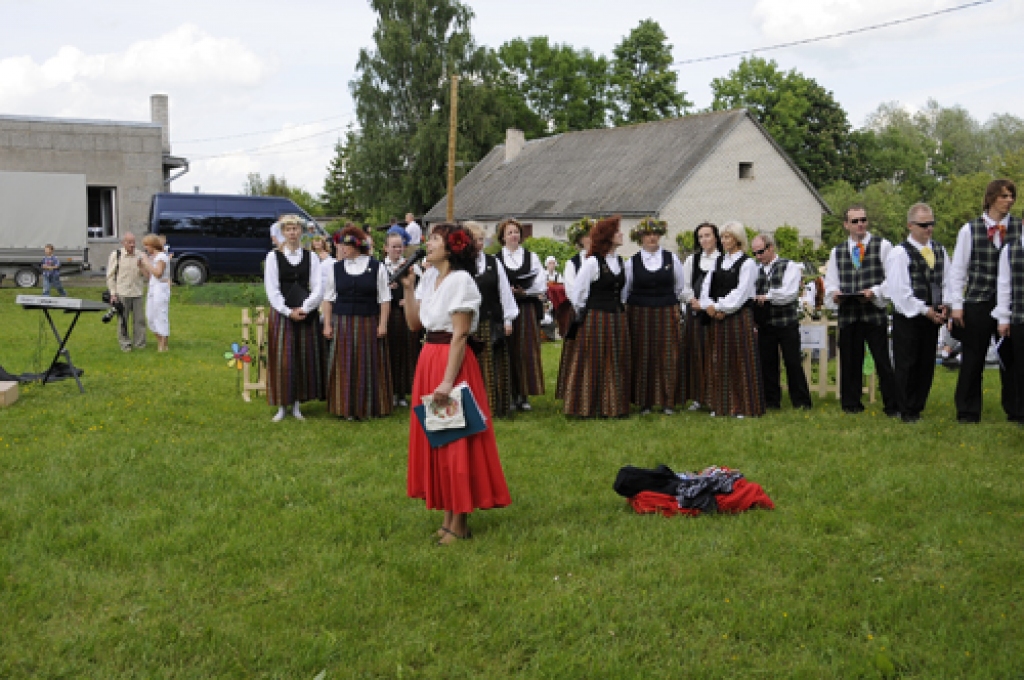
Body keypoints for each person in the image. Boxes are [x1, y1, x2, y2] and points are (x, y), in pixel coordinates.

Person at [402, 222, 511, 545]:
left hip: (452, 363)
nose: (427, 243)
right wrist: (409, 288)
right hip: (429, 358)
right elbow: (414, 324)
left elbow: (461, 332)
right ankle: (447, 516)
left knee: (455, 440)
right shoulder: (431, 278)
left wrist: (448, 380)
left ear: (451, 247)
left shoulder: (462, 281)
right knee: (438, 438)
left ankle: (460, 522)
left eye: (434, 239)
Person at [948, 179, 1022, 424]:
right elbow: (958, 270)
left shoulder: (1019, 228)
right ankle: (968, 411)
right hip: (978, 301)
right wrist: (956, 305)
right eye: (1004, 196)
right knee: (973, 358)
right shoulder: (970, 229)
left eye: (1011, 196)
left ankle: (1016, 410)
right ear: (991, 198)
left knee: (1011, 359)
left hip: (1011, 305)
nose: (1009, 200)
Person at [824, 205, 898, 416]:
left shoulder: (883, 246)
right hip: (848, 313)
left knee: (883, 361)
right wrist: (835, 294)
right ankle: (851, 405)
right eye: (855, 221)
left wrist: (874, 292)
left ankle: (892, 405)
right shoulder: (837, 251)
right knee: (849, 362)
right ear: (846, 225)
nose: (860, 224)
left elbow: (892, 279)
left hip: (873, 313)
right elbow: (830, 282)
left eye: (863, 220)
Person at [885, 203, 950, 423]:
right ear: (910, 225)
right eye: (923, 225)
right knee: (907, 363)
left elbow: (948, 280)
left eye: (931, 224)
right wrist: (925, 310)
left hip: (934, 316)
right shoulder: (899, 253)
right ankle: (906, 409)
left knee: (926, 363)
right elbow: (899, 291)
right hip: (909, 317)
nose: (928, 229)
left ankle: (917, 405)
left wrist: (946, 306)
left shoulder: (939, 250)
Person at [323, 225, 393, 420]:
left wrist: (383, 324)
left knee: (368, 363)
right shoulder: (335, 268)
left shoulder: (377, 267)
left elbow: (384, 299)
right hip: (343, 322)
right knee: (344, 365)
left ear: (356, 246)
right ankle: (344, 407)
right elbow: (328, 298)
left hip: (368, 322)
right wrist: (327, 324)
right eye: (341, 245)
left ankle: (369, 406)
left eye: (345, 245)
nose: (342, 248)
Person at [564, 215, 631, 418]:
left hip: (617, 317)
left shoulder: (619, 261)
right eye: (617, 231)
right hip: (597, 317)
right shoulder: (592, 262)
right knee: (593, 360)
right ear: (607, 236)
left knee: (616, 359)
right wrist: (589, 312)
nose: (621, 234)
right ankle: (587, 405)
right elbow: (578, 294)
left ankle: (614, 405)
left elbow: (623, 291)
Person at [698, 221, 765, 418]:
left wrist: (719, 307)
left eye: (728, 237)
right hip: (718, 318)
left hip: (738, 317)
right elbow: (706, 288)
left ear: (737, 239)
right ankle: (722, 405)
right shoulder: (718, 262)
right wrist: (708, 306)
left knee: (740, 361)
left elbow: (741, 293)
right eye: (723, 237)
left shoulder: (748, 263)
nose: (724, 240)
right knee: (720, 360)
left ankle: (742, 406)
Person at [264, 215, 325, 421]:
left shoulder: (311, 257)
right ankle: (282, 406)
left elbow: (318, 287)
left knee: (301, 358)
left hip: (305, 313)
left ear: (301, 232)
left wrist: (306, 308)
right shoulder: (273, 257)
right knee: (282, 360)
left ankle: (297, 405)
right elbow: (271, 289)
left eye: (295, 229)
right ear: (282, 232)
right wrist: (287, 311)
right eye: (288, 229)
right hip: (283, 315)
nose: (292, 233)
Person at [623, 217, 684, 415]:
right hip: (640, 312)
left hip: (666, 310)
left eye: (655, 234)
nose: (652, 238)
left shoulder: (671, 258)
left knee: (668, 355)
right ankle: (644, 402)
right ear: (640, 238)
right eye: (648, 234)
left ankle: (668, 401)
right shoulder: (631, 262)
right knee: (642, 355)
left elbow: (679, 286)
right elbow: (626, 290)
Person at [751, 233, 812, 411]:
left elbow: (789, 293)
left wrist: (767, 297)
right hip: (765, 324)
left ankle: (801, 402)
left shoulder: (789, 266)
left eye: (761, 252)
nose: (758, 256)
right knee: (767, 364)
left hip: (787, 322)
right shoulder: (756, 269)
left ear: (771, 248)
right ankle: (771, 402)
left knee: (792, 362)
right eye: (755, 253)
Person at [465, 222, 518, 418]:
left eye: (481, 239)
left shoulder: (493, 262)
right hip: (467, 324)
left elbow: (504, 292)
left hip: (490, 321)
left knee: (492, 366)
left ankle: (494, 408)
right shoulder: (459, 265)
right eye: (475, 240)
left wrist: (508, 319)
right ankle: (471, 409)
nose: (479, 244)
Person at [497, 218, 545, 411]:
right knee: (507, 350)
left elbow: (540, 282)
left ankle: (524, 395)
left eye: (516, 232)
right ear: (503, 237)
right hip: (503, 311)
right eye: (509, 232)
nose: (514, 235)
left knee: (525, 351)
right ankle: (508, 394)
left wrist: (525, 292)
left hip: (525, 308)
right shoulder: (497, 259)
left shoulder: (531, 257)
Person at [681, 223, 722, 410]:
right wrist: (693, 301)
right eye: (700, 236)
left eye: (707, 235)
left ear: (716, 237)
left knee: (716, 356)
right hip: (696, 314)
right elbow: (683, 287)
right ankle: (698, 397)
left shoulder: (723, 259)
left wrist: (713, 306)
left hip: (718, 314)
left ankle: (716, 397)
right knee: (697, 355)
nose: (704, 239)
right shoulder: (692, 260)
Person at [382, 232, 422, 408]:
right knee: (390, 352)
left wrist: (411, 298)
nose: (398, 250)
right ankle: (390, 392)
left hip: (407, 314)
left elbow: (422, 288)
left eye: (400, 246)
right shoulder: (380, 268)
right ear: (386, 248)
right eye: (394, 246)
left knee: (407, 352)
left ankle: (403, 393)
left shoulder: (412, 266)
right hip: (389, 316)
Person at [556, 217, 594, 400]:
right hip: (580, 312)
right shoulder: (574, 263)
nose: (591, 238)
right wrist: (584, 307)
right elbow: (571, 290)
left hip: (599, 311)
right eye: (587, 235)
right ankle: (576, 390)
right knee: (578, 352)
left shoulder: (603, 259)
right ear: (580, 239)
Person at [994, 217, 1024, 428]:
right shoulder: (1010, 250)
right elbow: (1004, 286)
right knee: (1019, 367)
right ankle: (1020, 412)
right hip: (1019, 317)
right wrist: (1003, 318)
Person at [106, 232, 147, 352]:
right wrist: (113, 293)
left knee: (139, 320)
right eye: (129, 242)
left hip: (137, 292)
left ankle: (140, 344)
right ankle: (125, 344)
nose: (132, 245)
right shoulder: (116, 255)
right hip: (122, 292)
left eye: (134, 242)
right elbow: (110, 276)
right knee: (122, 321)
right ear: (123, 243)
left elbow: (146, 275)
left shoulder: (140, 255)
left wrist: (141, 266)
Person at [139, 234, 171, 352]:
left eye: (146, 245)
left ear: (152, 245)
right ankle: (160, 341)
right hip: (153, 287)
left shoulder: (162, 257)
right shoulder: (153, 258)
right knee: (150, 316)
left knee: (160, 315)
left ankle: (163, 345)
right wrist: (142, 267)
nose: (145, 248)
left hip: (161, 288)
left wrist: (147, 262)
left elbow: (158, 273)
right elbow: (150, 276)